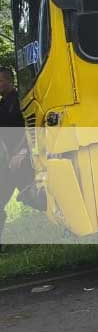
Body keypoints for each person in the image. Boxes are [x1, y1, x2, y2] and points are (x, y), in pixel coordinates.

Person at [0, 67, 36, 243]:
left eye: (0, 81)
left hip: (22, 157)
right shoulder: (3, 103)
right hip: (8, 161)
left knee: (35, 196)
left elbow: (27, 128)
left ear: (10, 81)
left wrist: (21, 151)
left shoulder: (20, 100)